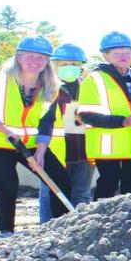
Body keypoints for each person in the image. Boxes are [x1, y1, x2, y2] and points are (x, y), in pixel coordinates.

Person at [0, 36, 68, 233]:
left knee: (59, 178)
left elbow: (47, 121)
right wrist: (6, 131)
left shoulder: (51, 87)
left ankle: (61, 228)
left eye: (41, 58)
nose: (36, 62)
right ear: (18, 57)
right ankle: (6, 232)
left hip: (31, 143)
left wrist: (41, 151)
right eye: (30, 56)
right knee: (7, 187)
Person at [75, 31, 131, 201]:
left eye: (126, 52)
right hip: (108, 145)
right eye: (117, 53)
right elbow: (86, 115)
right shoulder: (94, 79)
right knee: (108, 184)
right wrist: (123, 121)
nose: (123, 57)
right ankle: (101, 220)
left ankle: (130, 222)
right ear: (106, 56)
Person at [41, 43, 91, 222]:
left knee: (81, 195)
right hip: (54, 152)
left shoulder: (88, 88)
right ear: (54, 66)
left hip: (84, 152)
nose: (69, 68)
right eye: (63, 64)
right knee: (51, 193)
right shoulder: (46, 89)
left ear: (81, 67)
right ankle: (47, 230)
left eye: (74, 64)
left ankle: (78, 230)